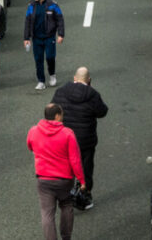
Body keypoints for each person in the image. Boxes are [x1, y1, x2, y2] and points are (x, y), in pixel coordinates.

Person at [51, 67, 108, 209]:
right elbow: (102, 112)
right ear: (89, 81)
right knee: (85, 167)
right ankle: (85, 195)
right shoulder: (93, 94)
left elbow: (53, 110)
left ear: (74, 78)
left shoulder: (61, 91)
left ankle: (64, 193)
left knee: (65, 165)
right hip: (85, 139)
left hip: (63, 137)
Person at [26, 103, 86, 240]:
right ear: (57, 116)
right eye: (62, 115)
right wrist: (82, 180)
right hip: (64, 180)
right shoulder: (67, 133)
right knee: (66, 206)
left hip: (44, 180)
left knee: (47, 214)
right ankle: (66, 237)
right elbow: (75, 160)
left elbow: (30, 146)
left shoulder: (33, 131)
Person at [23, 0, 65, 90]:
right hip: (36, 38)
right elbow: (27, 22)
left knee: (50, 57)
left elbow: (60, 19)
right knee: (38, 60)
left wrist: (61, 34)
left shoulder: (53, 5)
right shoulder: (31, 6)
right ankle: (41, 81)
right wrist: (26, 38)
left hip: (49, 37)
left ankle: (52, 75)